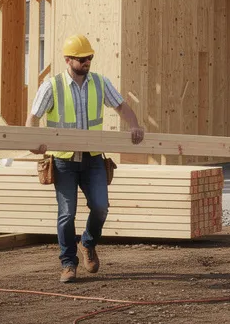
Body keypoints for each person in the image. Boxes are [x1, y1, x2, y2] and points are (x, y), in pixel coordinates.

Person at [29, 34, 145, 283]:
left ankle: (88, 243)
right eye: (81, 59)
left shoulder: (100, 83)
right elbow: (34, 116)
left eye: (89, 58)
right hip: (64, 161)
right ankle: (68, 263)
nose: (87, 62)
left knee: (101, 207)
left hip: (93, 159)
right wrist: (33, 141)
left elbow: (121, 106)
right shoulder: (52, 86)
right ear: (68, 60)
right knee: (66, 214)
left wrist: (134, 125)